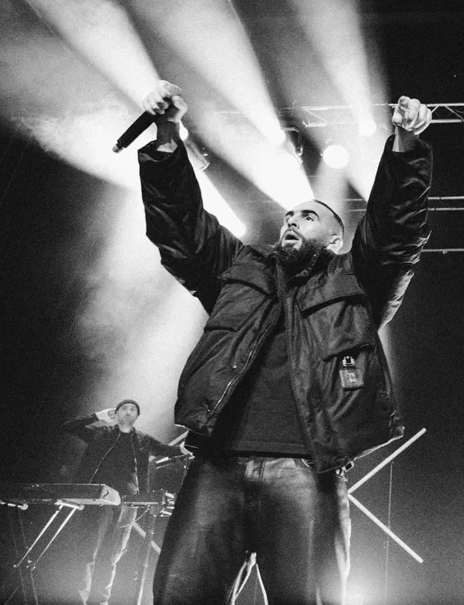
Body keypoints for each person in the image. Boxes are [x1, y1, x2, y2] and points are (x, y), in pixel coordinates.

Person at [136, 80, 432, 605]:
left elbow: (395, 232)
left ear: (336, 239)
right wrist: (166, 134)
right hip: (217, 465)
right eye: (291, 214)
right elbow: (179, 228)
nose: (293, 219)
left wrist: (405, 148)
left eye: (309, 216)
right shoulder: (239, 269)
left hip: (306, 472)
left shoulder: (355, 282)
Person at [62, 399, 185, 605]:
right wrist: (96, 417)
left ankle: (101, 601)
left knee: (112, 555)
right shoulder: (101, 433)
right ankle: (78, 600)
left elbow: (168, 450)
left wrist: (184, 449)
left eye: (133, 409)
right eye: (124, 409)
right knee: (88, 550)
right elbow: (68, 427)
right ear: (116, 413)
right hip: (100, 499)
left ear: (137, 416)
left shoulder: (143, 439)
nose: (128, 412)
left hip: (128, 502)